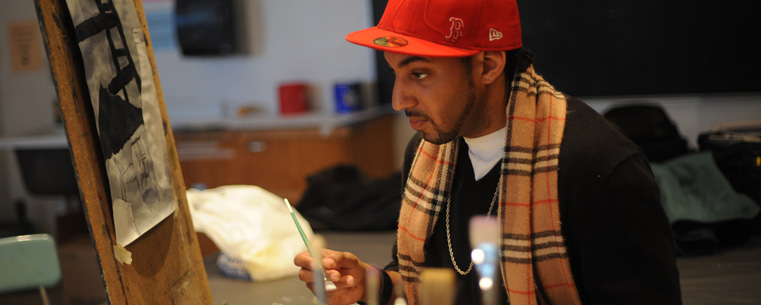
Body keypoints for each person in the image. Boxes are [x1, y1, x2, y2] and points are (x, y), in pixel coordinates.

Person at [294, 0, 683, 304]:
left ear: (489, 65)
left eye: (420, 74)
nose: (398, 99)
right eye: (394, 71)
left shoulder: (598, 166)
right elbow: (435, 286)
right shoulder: (428, 152)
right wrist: (369, 284)